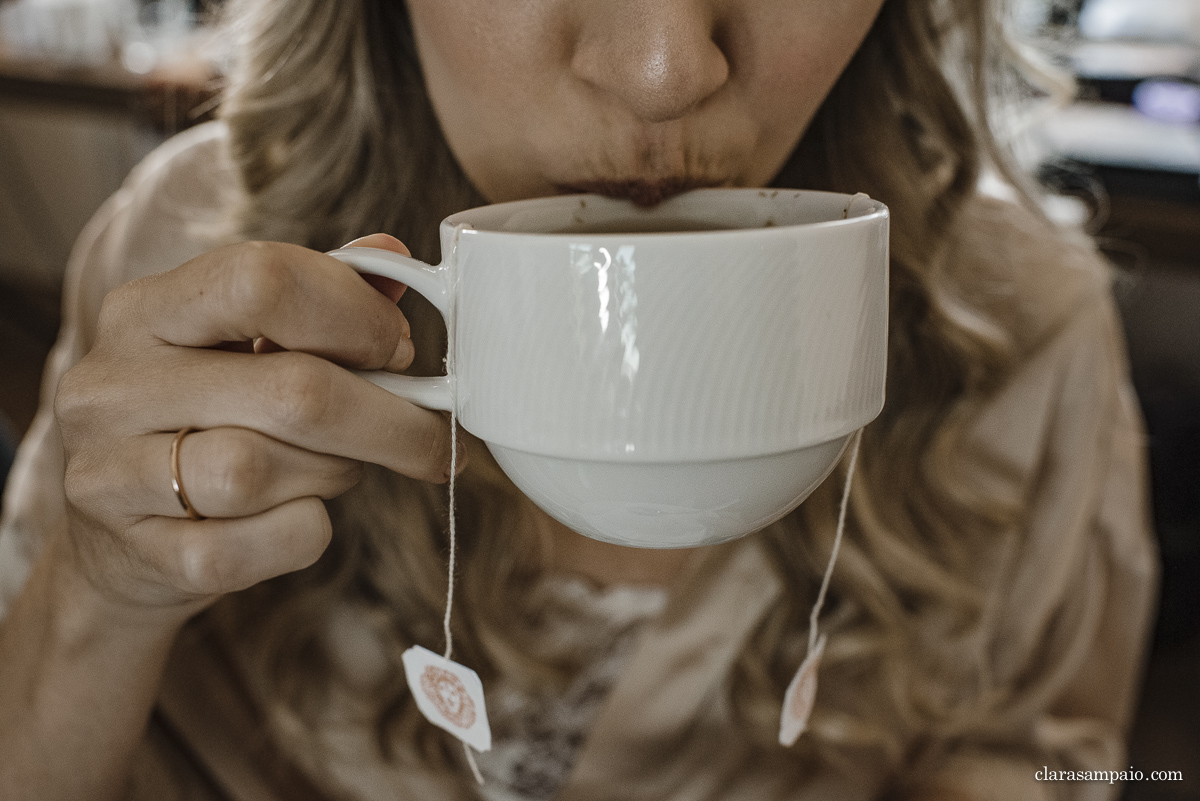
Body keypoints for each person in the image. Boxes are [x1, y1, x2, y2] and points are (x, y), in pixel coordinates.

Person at [0, 0, 1158, 799]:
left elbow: (1048, 760)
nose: (666, 67)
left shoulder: (1025, 337)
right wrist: (97, 602)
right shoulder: (187, 264)